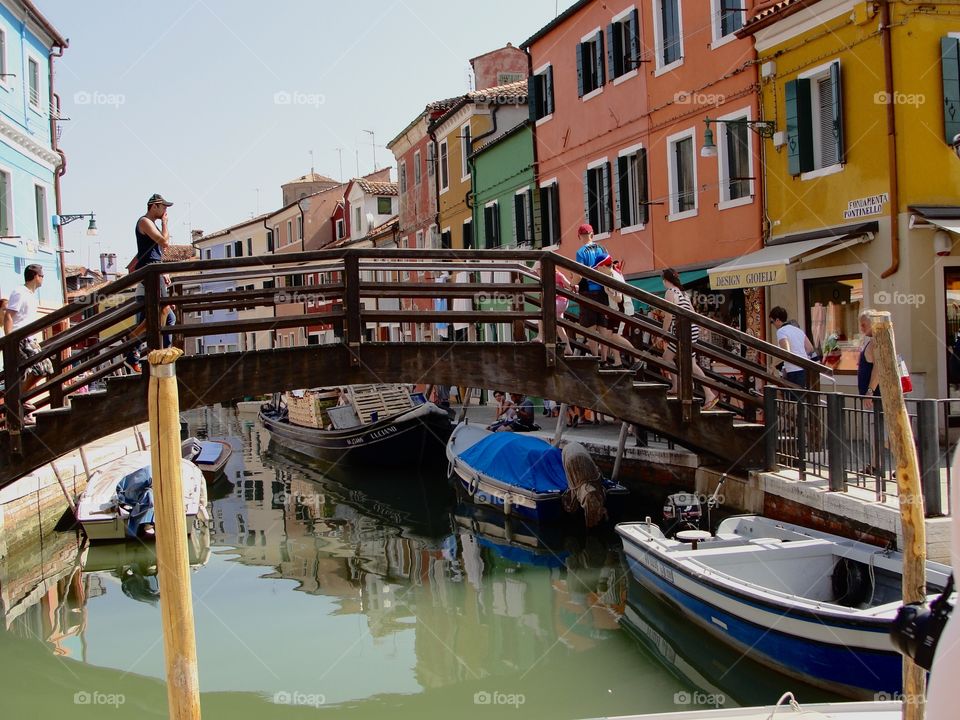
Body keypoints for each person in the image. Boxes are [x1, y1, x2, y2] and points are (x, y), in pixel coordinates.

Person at [573, 226, 635, 367]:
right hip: (604, 292)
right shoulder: (602, 249)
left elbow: (579, 273)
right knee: (603, 327)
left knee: (590, 328)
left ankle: (595, 359)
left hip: (588, 291)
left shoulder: (581, 252)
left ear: (579, 236)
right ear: (592, 234)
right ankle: (604, 359)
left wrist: (572, 284)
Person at [657, 268, 718, 410]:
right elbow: (693, 312)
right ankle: (681, 387)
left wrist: (663, 333)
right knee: (685, 361)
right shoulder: (683, 293)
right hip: (690, 328)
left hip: (682, 330)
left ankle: (705, 392)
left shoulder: (670, 292)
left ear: (666, 281)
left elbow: (667, 315)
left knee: (670, 359)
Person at [3, 264, 53, 423]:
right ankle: (18, 399)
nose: (43, 278)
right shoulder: (20, 292)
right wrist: (9, 339)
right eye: (42, 275)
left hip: (30, 338)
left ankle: (20, 399)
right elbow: (9, 316)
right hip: (20, 338)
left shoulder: (31, 294)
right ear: (36, 276)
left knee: (45, 368)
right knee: (41, 368)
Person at [769, 306, 814, 388]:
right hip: (803, 368)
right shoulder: (798, 330)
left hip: (793, 370)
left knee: (793, 397)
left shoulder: (781, 331)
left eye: (772, 322)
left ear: (778, 320)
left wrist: (773, 365)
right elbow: (810, 348)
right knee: (800, 398)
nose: (773, 325)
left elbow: (786, 352)